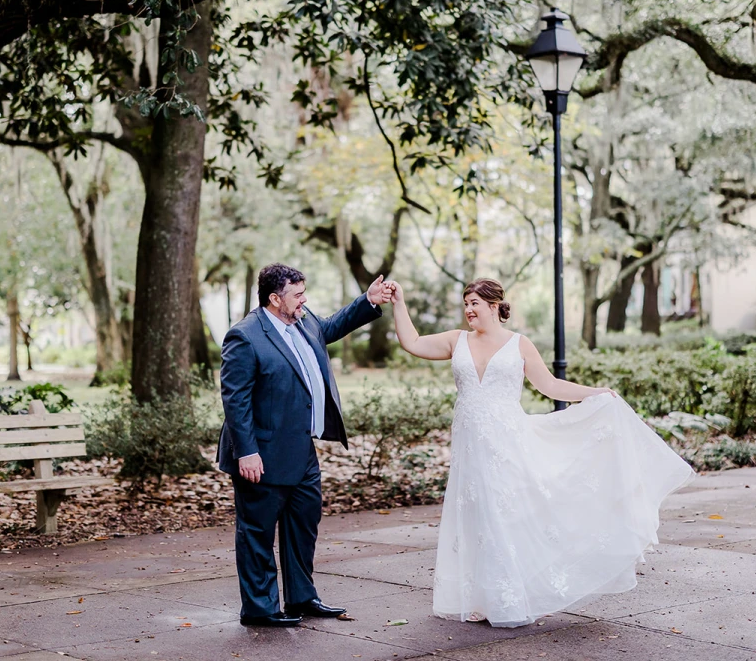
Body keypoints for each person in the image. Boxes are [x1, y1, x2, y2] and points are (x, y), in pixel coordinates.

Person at [388, 277, 694, 628]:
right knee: (477, 516)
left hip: (508, 441)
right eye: (466, 303)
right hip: (470, 445)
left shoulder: (519, 345)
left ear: (493, 306)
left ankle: (514, 594)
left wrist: (594, 392)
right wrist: (399, 302)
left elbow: (549, 385)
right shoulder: (455, 340)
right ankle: (482, 597)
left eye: (474, 303)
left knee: (507, 514)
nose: (468, 310)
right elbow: (411, 342)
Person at [217, 263, 395, 627]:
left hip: (302, 451)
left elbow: (330, 326)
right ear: (273, 298)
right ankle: (260, 609)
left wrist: (368, 301)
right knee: (257, 535)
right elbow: (235, 400)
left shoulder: (303, 319)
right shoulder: (245, 336)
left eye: (303, 292)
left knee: (303, 528)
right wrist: (246, 452)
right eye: (297, 294)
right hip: (261, 454)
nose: (304, 299)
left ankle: (301, 597)